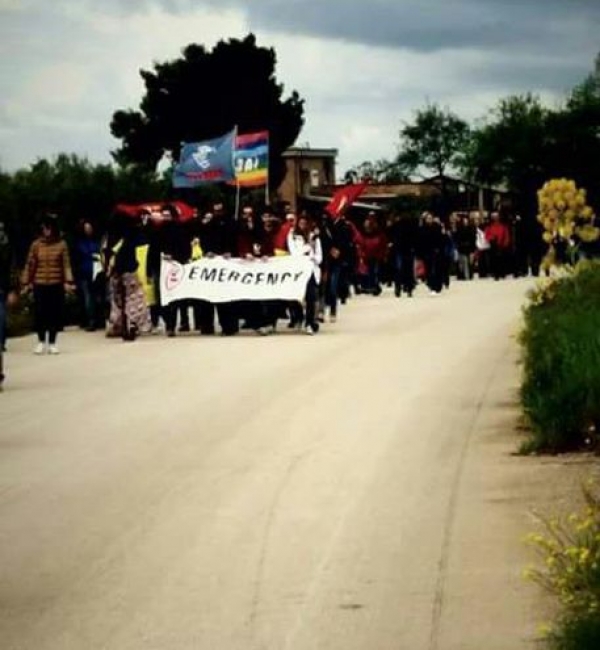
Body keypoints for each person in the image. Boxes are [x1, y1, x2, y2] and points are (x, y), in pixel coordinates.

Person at [21, 215, 74, 354]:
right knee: (40, 313)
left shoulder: (61, 244)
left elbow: (66, 264)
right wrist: (26, 282)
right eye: (44, 228)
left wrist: (68, 282)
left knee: (54, 314)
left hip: (56, 284)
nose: (46, 231)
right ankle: (40, 341)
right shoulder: (36, 245)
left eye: (49, 228)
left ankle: (52, 342)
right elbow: (30, 263)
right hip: (40, 283)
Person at [104, 216, 151, 341]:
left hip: (115, 272)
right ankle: (132, 323)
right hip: (129, 270)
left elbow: (107, 254)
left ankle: (118, 325)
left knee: (117, 300)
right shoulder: (131, 235)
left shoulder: (111, 237)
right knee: (134, 298)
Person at [197, 202, 239, 336]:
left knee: (227, 299)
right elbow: (204, 241)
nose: (218, 213)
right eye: (215, 211)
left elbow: (235, 241)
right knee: (208, 297)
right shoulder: (208, 226)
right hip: (213, 266)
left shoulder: (232, 224)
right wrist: (207, 251)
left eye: (220, 210)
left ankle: (229, 327)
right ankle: (207, 326)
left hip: (227, 265)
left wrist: (230, 252)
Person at [287, 213, 322, 335]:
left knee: (311, 297)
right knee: (296, 297)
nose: (303, 226)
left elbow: (319, 257)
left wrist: (312, 257)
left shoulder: (314, 237)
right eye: (300, 223)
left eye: (305, 223)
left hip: (311, 270)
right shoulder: (292, 236)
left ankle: (309, 323)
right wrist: (307, 247)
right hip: (298, 270)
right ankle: (298, 318)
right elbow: (294, 253)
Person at [74, 220, 103, 331]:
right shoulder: (80, 243)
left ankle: (98, 319)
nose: (89, 230)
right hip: (85, 272)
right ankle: (90, 320)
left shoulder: (96, 241)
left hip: (97, 271)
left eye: (90, 228)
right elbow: (84, 253)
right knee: (88, 297)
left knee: (97, 297)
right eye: (86, 228)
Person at [389, 215, 418, 298]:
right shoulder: (412, 225)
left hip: (400, 250)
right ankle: (409, 288)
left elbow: (392, 237)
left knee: (399, 270)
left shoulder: (396, 226)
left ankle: (399, 288)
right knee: (408, 270)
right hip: (408, 250)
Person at [418, 212, 445, 295]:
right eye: (427, 218)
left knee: (437, 269)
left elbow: (441, 239)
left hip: (436, 251)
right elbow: (420, 241)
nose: (429, 220)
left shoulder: (437, 227)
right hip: (426, 252)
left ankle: (437, 285)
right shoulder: (422, 228)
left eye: (430, 218)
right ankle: (431, 285)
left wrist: (439, 249)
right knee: (429, 270)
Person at [485, 212, 511, 280]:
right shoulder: (489, 226)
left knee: (502, 260)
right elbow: (486, 236)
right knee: (494, 261)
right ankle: (496, 274)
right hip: (493, 245)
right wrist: (492, 239)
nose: (495, 218)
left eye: (496, 217)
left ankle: (502, 273)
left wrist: (505, 243)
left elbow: (506, 235)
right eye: (494, 217)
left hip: (501, 246)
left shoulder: (503, 226)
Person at [454, 216, 476, 280]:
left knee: (470, 263)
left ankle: (470, 275)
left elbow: (473, 240)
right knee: (464, 262)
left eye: (466, 221)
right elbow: (457, 239)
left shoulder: (472, 229)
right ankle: (466, 276)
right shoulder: (459, 229)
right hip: (462, 248)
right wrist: (458, 248)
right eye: (464, 221)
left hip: (470, 248)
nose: (465, 222)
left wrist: (473, 251)